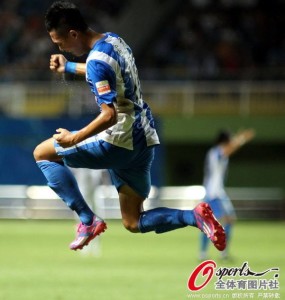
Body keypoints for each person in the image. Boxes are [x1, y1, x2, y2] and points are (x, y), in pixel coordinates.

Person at [33, 1, 226, 252]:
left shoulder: (96, 62)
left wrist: (75, 138)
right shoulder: (115, 41)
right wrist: (68, 67)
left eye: (61, 44)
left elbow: (109, 115)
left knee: (43, 153)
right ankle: (194, 216)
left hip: (119, 140)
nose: (62, 49)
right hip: (143, 138)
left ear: (73, 34)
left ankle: (87, 219)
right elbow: (100, 68)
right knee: (133, 221)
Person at [200, 129, 255, 260]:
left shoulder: (215, 152)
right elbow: (227, 151)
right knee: (217, 222)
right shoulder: (216, 152)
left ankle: (212, 252)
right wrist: (241, 139)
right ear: (225, 140)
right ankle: (210, 253)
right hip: (214, 193)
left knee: (221, 221)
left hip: (216, 191)